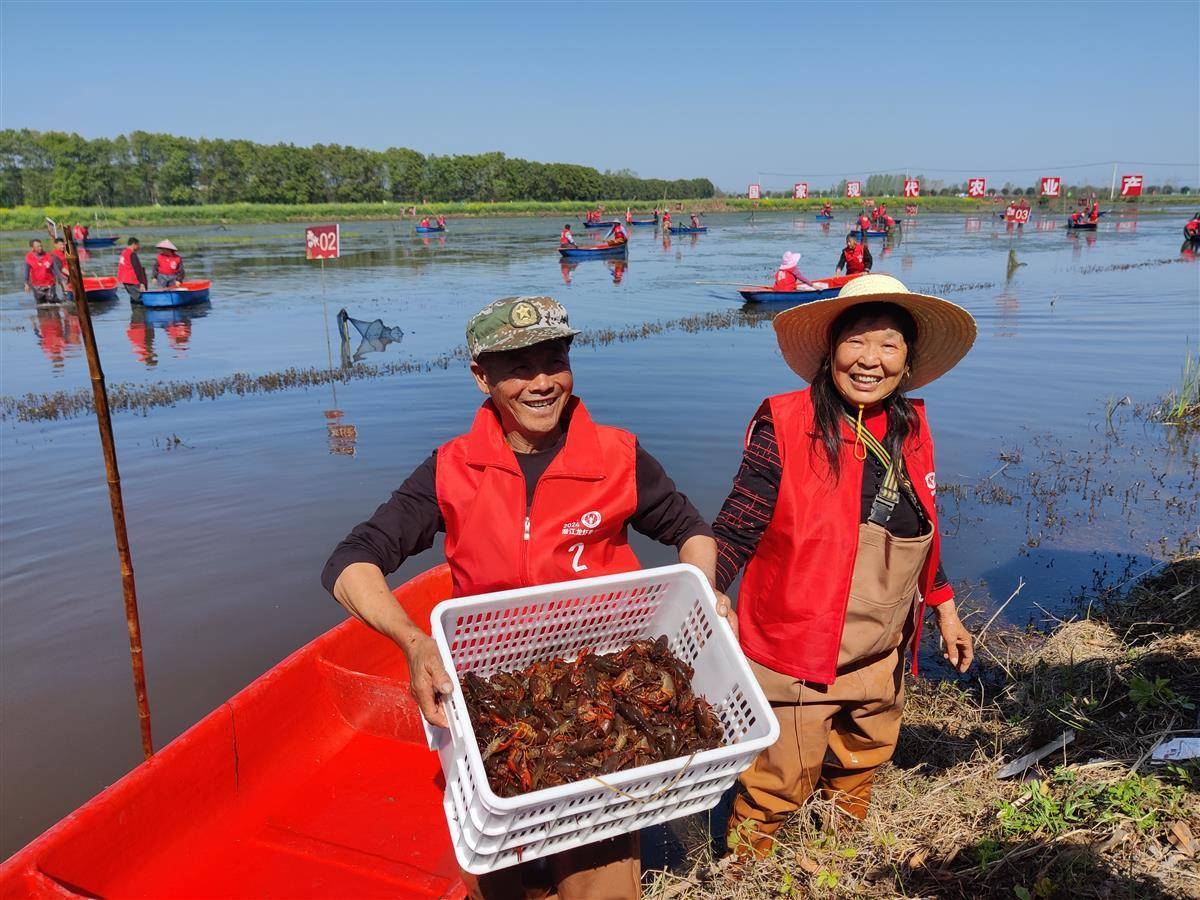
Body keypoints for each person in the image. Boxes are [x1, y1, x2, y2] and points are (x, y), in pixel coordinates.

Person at [322, 295, 728, 900]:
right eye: (518, 367)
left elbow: (689, 530)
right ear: (481, 376)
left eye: (554, 359)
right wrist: (413, 643)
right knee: (497, 875)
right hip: (492, 685)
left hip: (607, 676)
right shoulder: (452, 468)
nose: (542, 382)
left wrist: (706, 590)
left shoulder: (617, 456)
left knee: (603, 883)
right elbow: (350, 562)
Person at [713, 273, 977, 859]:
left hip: (879, 649)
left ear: (907, 362)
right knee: (775, 784)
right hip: (794, 649)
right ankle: (744, 875)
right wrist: (706, 592)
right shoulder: (782, 420)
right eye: (856, 341)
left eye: (889, 345)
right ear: (830, 350)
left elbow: (922, 526)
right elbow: (738, 524)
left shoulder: (912, 424)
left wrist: (945, 609)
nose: (870, 361)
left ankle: (837, 860)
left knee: (863, 760)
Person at [24, 239, 60, 304]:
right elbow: (26, 271)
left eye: (41, 246)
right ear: (33, 248)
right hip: (37, 285)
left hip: (49, 284)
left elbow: (55, 269)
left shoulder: (49, 256)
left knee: (52, 301)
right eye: (38, 246)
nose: (40, 248)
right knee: (41, 304)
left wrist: (61, 280)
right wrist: (26, 283)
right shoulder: (28, 257)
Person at [118, 238, 148, 303]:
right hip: (132, 280)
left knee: (133, 298)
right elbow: (137, 269)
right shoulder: (132, 254)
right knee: (140, 299)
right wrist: (142, 283)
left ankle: (135, 312)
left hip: (124, 280)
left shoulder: (124, 252)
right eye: (138, 245)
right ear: (134, 244)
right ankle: (139, 312)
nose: (139, 247)